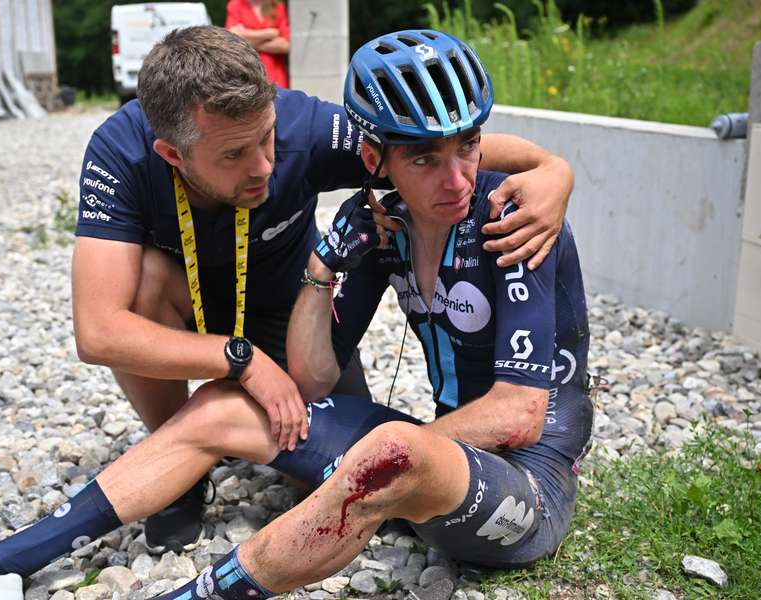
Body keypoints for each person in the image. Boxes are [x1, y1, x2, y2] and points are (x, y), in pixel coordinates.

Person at [0, 29, 591, 600]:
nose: (459, 177)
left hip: (524, 482)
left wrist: (555, 171)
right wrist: (321, 271)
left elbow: (518, 416)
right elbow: (108, 333)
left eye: (470, 145)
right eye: (424, 158)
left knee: (383, 458)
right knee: (217, 403)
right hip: (272, 361)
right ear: (377, 162)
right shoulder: (376, 220)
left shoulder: (509, 220)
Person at [71, 25, 573, 550]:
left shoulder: (304, 126)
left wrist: (553, 171)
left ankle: (226, 428)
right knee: (144, 280)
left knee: (325, 476)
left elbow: (439, 145)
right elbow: (99, 332)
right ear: (172, 155)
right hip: (183, 307)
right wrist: (239, 360)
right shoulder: (120, 153)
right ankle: (181, 475)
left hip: (286, 312)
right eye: (233, 155)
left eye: (267, 138)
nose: (263, 165)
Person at [226, 0, 289, 87]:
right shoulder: (237, 4)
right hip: (246, 74)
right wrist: (269, 33)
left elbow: (285, 45)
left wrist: (246, 37)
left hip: (275, 76)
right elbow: (232, 38)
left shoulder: (277, 5)